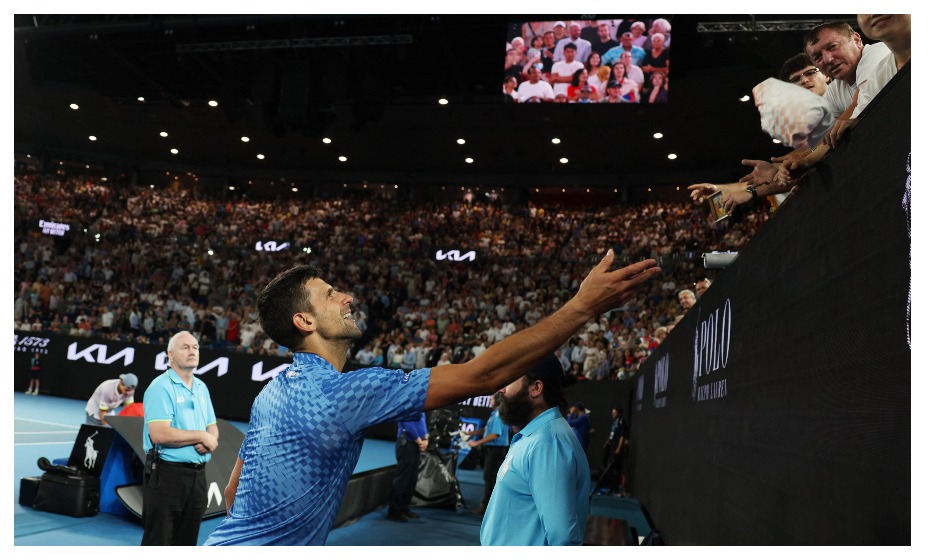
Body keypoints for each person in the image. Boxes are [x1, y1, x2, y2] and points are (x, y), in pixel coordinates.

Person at [206, 253, 660, 545]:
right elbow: (483, 375)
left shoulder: (270, 393)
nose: (346, 297)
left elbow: (232, 494)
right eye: (329, 295)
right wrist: (581, 307)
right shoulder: (343, 392)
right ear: (305, 321)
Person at [479, 354, 590, 545]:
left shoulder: (548, 443)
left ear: (536, 388)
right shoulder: (537, 436)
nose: (502, 389)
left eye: (511, 380)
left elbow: (563, 539)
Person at [142, 330, 219, 546]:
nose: (192, 351)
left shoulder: (202, 387)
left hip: (197, 477)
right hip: (167, 475)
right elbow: (159, 434)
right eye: (185, 347)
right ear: (170, 354)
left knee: (186, 541)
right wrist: (202, 436)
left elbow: (212, 426)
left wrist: (209, 439)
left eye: (195, 347)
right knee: (159, 541)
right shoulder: (160, 387)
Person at [464, 391, 510, 515]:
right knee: (489, 477)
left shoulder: (499, 414)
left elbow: (495, 435)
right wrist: (471, 434)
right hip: (491, 449)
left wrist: (476, 443)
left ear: (497, 401)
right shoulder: (494, 414)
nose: (489, 401)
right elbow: (486, 430)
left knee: (490, 478)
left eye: (491, 399)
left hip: (496, 450)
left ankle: (486, 507)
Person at [387, 412, 428, 522]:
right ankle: (394, 511)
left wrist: (426, 439)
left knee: (411, 478)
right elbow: (408, 426)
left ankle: (404, 508)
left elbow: (423, 423)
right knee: (403, 479)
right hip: (407, 444)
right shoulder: (408, 405)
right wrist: (420, 442)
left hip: (415, 445)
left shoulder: (421, 407)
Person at [600, 406, 628, 495]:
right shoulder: (614, 423)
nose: (612, 414)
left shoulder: (621, 422)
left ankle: (616, 488)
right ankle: (610, 486)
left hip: (616, 448)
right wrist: (607, 442)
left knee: (616, 468)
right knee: (608, 465)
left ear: (619, 413)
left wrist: (619, 448)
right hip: (611, 447)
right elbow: (612, 434)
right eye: (612, 413)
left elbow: (622, 437)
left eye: (614, 413)